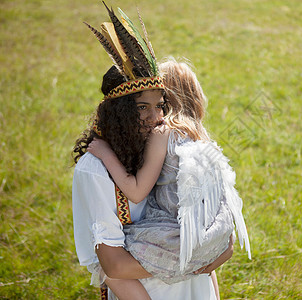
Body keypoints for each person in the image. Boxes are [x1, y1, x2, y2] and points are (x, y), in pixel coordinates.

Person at [73, 3, 238, 299]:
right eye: (142, 108)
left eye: (161, 106)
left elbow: (211, 224)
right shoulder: (96, 169)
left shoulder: (167, 147)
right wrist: (194, 258)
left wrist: (208, 251)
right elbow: (112, 265)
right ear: (122, 112)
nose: (157, 118)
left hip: (188, 281)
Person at [87, 59, 251, 298]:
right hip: (209, 234)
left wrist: (105, 153)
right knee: (202, 270)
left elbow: (136, 191)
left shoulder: (162, 134)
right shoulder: (200, 138)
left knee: (110, 268)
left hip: (174, 235)